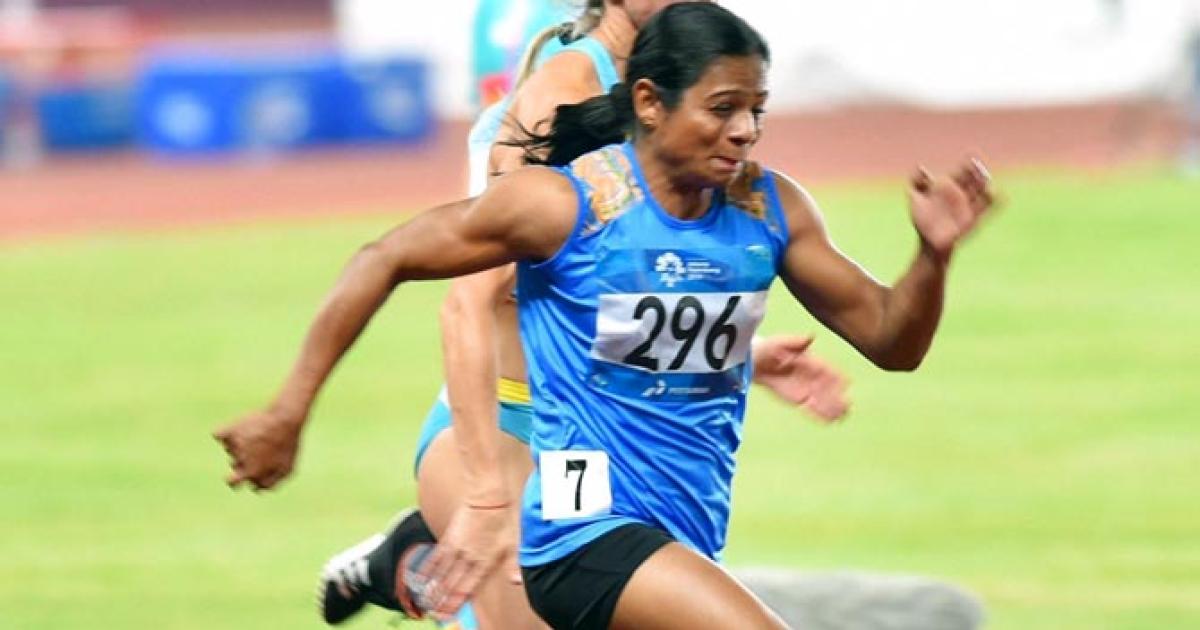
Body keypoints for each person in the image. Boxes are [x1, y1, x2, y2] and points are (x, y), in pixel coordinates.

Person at [220, 3, 994, 628]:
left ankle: (414, 562)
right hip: (560, 474)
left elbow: (891, 341)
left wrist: (931, 257)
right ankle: (431, 554)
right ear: (649, 103)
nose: (746, 131)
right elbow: (435, 280)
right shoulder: (569, 182)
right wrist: (296, 415)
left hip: (668, 503)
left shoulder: (765, 207)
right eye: (725, 109)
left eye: (757, 110)